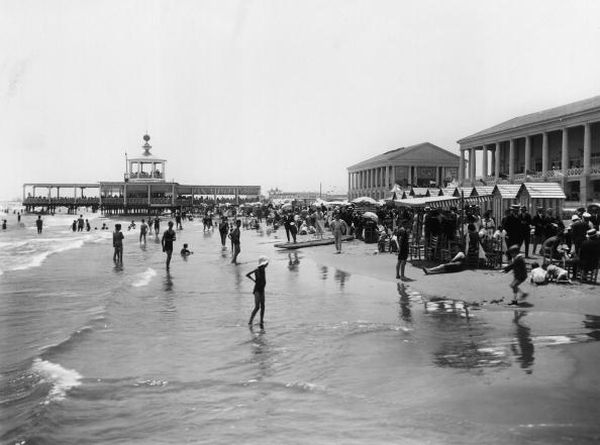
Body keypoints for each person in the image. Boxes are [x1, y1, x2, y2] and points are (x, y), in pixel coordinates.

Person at [246, 255, 269, 329]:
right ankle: (250, 321)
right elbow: (247, 275)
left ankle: (261, 321)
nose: (267, 264)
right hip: (257, 290)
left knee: (263, 306)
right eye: (266, 263)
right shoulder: (257, 270)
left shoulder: (263, 269)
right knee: (257, 307)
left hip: (262, 289)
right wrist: (254, 280)